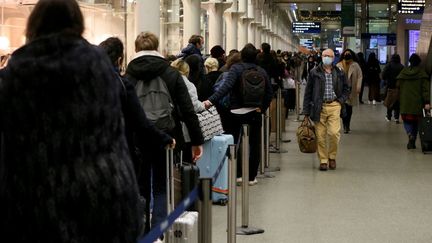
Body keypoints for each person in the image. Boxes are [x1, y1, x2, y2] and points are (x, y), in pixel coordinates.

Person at [0, 0, 141, 242]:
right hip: (106, 198)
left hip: (37, 206)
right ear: (78, 22)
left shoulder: (16, 72)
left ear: (34, 24)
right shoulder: (99, 66)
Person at [125, 31, 204, 241]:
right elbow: (188, 110)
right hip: (167, 137)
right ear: (157, 46)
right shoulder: (171, 74)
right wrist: (196, 141)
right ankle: (158, 234)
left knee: (141, 186)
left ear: (135, 48)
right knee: (162, 184)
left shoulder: (128, 75)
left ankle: (141, 233)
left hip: (137, 138)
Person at [203, 43, 273, 186]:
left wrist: (210, 101)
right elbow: (269, 93)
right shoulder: (261, 70)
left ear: (242, 55)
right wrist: (262, 108)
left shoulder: (236, 69)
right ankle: (252, 176)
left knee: (234, 143)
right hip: (254, 112)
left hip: (235, 112)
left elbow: (225, 88)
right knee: (254, 144)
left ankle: (236, 174)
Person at [302, 49, 349, 171]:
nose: (326, 57)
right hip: (319, 106)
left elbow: (346, 88)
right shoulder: (314, 72)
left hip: (334, 105)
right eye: (324, 56)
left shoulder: (339, 72)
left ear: (333, 58)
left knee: (334, 133)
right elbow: (308, 92)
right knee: (321, 135)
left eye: (329, 56)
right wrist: (306, 111)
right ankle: (323, 160)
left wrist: (341, 100)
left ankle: (332, 156)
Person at [396, 53, 430, 149]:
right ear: (419, 63)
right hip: (417, 103)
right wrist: (427, 102)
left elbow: (398, 85)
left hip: (405, 102)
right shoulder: (422, 73)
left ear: (410, 62)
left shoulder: (404, 72)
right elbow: (425, 90)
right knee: (416, 122)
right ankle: (413, 139)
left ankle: (410, 135)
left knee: (407, 121)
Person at [336, 49, 363, 134]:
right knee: (344, 108)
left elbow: (360, 76)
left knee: (349, 108)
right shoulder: (338, 65)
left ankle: (347, 125)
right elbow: (334, 77)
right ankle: (345, 125)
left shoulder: (355, 65)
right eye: (346, 53)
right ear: (343, 55)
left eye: (349, 53)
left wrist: (358, 86)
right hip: (342, 90)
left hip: (351, 89)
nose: (347, 55)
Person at [382, 54, 404, 123]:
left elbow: (383, 75)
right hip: (398, 87)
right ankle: (396, 118)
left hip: (390, 86)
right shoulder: (402, 66)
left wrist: (385, 79)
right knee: (397, 102)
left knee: (390, 101)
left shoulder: (389, 65)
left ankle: (389, 116)